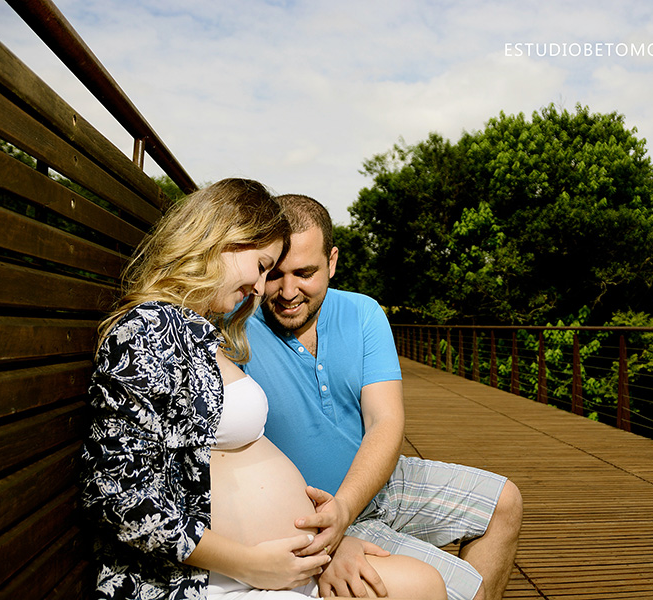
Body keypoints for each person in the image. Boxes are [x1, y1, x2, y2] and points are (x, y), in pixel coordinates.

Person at [80, 178, 447, 600]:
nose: (260, 287)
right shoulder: (147, 329)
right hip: (207, 577)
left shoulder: (197, 331)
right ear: (223, 241)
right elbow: (116, 496)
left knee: (427, 584)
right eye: (263, 267)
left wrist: (326, 540)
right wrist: (251, 563)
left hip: (276, 560)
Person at [241, 194, 523, 600]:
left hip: (380, 485)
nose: (288, 291)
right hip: (314, 513)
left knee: (505, 502)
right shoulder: (239, 330)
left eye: (305, 272)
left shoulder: (363, 312)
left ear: (332, 262)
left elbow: (384, 422)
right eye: (275, 274)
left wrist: (348, 506)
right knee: (465, 591)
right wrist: (333, 530)